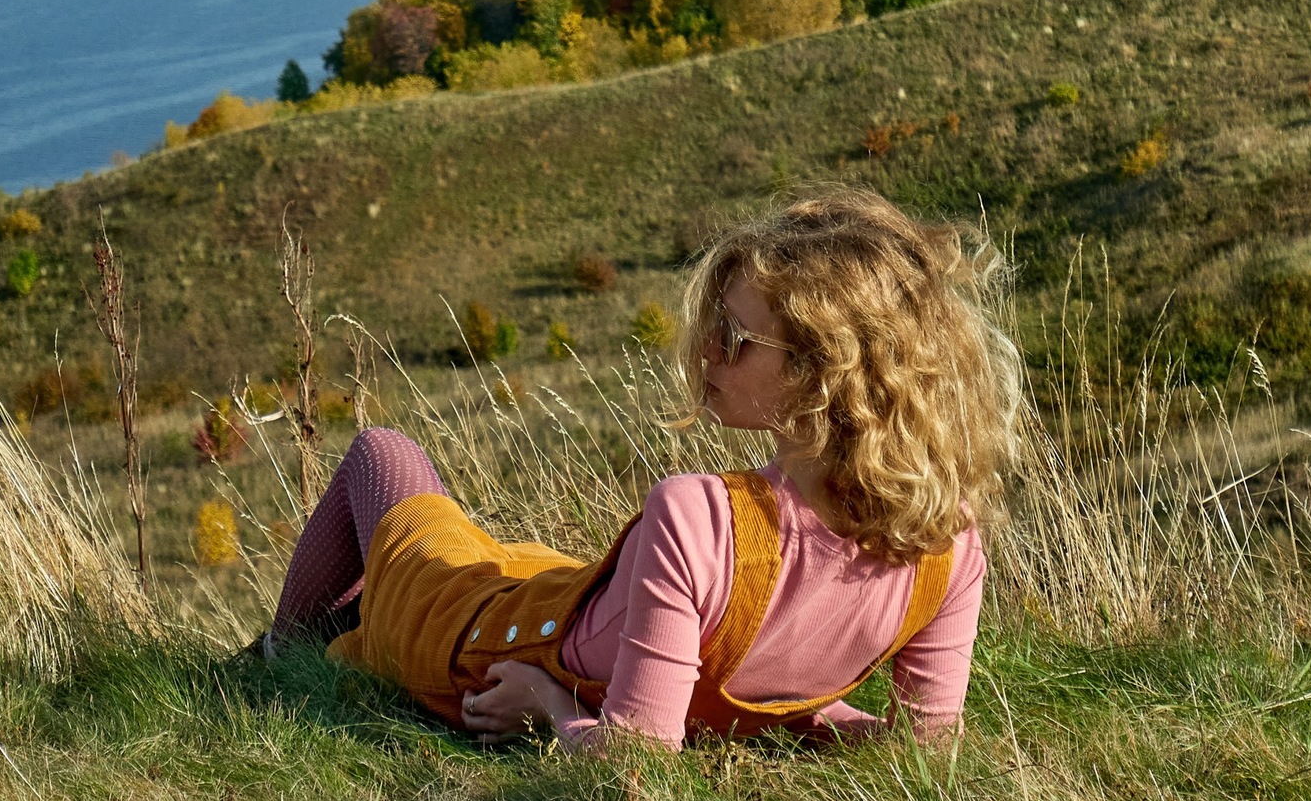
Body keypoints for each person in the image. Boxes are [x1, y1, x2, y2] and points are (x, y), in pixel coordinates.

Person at [261, 186, 1021, 751]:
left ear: (823, 375)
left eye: (737, 337)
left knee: (381, 453)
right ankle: (336, 619)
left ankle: (275, 657)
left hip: (470, 638)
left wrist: (548, 711)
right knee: (506, 555)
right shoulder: (949, 549)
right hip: (564, 595)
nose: (707, 351)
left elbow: (638, 761)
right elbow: (926, 753)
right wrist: (818, 720)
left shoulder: (699, 518)